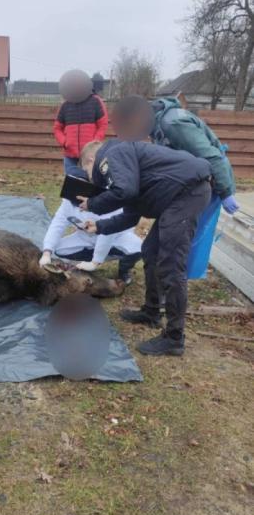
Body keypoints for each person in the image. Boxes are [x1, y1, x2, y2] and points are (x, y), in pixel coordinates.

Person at [78, 139, 212, 356]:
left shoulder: (111, 155)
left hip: (187, 193)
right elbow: (131, 215)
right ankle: (151, 312)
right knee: (151, 251)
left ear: (91, 160)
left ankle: (174, 338)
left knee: (171, 264)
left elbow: (126, 191)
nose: (91, 179)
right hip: (177, 196)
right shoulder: (125, 168)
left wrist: (93, 204)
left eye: (87, 171)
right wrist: (99, 226)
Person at [110, 95, 239, 278]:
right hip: (185, 186)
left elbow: (211, 156)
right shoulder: (157, 125)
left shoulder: (174, 124)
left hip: (205, 185)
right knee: (157, 246)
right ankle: (160, 296)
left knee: (177, 243)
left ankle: (171, 291)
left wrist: (226, 192)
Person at [39, 141, 142, 283]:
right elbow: (58, 223)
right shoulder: (68, 201)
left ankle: (124, 269)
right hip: (85, 238)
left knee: (138, 247)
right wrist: (47, 252)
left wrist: (96, 261)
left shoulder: (109, 195)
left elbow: (108, 231)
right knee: (59, 249)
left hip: (116, 237)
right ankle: (86, 263)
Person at [53, 69, 108, 174]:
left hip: (90, 157)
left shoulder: (96, 101)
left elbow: (103, 125)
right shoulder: (65, 105)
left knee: (90, 187)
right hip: (70, 157)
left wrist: (94, 142)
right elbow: (57, 128)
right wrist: (65, 142)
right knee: (72, 186)